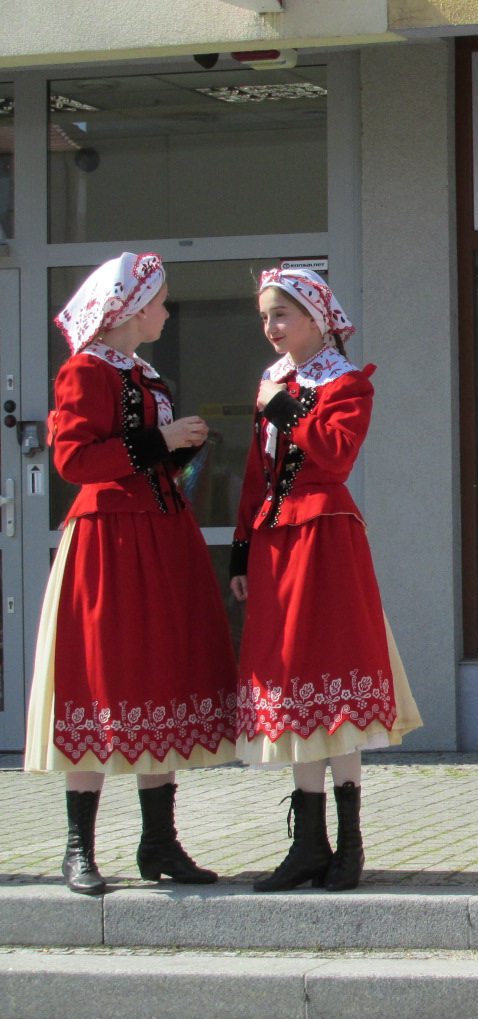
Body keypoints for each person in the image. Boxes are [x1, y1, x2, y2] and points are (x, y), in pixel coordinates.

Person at [26, 252, 236, 894]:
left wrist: (186, 452)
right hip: (109, 541)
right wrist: (161, 443)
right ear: (129, 308)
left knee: (159, 675)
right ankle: (77, 847)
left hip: (158, 535)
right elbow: (72, 460)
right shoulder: (86, 370)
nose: (167, 313)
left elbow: (151, 464)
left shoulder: (142, 374)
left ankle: (160, 843)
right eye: (160, 301)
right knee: (99, 678)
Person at [230, 268, 421, 893]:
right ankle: (309, 843)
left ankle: (350, 841)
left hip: (324, 538)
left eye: (281, 315)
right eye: (265, 317)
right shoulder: (271, 381)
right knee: (291, 684)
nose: (270, 327)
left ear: (315, 318)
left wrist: (284, 408)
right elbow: (257, 474)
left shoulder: (345, 383)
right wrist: (239, 552)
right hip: (276, 542)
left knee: (331, 678)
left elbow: (335, 456)